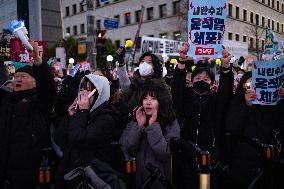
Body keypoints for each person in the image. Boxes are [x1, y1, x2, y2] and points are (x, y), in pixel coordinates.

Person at [171, 43, 234, 189]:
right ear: (191, 82)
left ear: (212, 84)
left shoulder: (215, 100)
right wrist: (182, 61)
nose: (201, 81)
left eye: (206, 79)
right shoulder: (184, 98)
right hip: (186, 151)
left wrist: (226, 67)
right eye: (197, 78)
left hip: (210, 152)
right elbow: (177, 87)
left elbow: (226, 92)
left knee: (206, 184)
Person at [0, 41, 57, 189]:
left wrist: (38, 62)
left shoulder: (40, 101)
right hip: (5, 171)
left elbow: (48, 87)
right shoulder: (6, 100)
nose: (18, 79)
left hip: (30, 174)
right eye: (16, 76)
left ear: (35, 82)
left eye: (23, 76)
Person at [53, 74, 119, 188]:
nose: (84, 93)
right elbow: (59, 139)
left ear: (98, 92)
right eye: (82, 88)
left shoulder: (106, 119)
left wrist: (82, 112)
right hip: (69, 173)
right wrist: (69, 116)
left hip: (90, 177)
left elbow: (78, 139)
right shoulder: (81, 113)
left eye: (89, 89)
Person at [225, 72, 284, 189]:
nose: (253, 88)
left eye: (258, 83)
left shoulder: (274, 106)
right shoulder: (237, 103)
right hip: (242, 166)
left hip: (267, 165)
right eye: (249, 84)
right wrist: (246, 106)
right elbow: (231, 128)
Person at [119, 85, 180, 189]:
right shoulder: (135, 121)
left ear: (162, 101)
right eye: (145, 98)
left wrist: (152, 126)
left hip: (159, 182)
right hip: (137, 181)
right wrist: (139, 126)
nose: (148, 102)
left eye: (153, 99)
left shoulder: (171, 123)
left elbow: (165, 154)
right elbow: (127, 148)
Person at [116, 48, 169, 112]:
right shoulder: (133, 85)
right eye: (142, 61)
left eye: (149, 62)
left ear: (154, 68)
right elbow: (124, 81)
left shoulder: (160, 87)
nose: (144, 64)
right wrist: (121, 62)